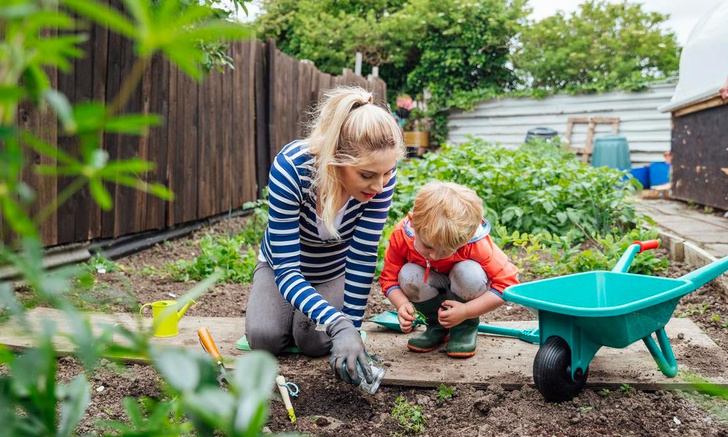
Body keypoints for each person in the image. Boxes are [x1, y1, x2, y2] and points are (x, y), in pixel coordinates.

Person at [245, 86, 405, 386]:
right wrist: (337, 322)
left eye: (387, 173)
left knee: (314, 342)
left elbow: (361, 258)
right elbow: (288, 271)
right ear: (335, 160)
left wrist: (352, 331)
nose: (380, 186)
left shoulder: (381, 177)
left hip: (332, 271)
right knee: (263, 338)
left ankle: (306, 316)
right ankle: (290, 311)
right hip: (282, 267)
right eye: (367, 175)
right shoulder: (291, 168)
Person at [379, 181, 520, 358]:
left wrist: (466, 312)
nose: (436, 256)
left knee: (469, 273)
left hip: (463, 290)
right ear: (413, 223)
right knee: (408, 274)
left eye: (447, 251)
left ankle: (464, 328)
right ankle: (436, 327)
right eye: (428, 247)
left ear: (468, 237)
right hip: (431, 285)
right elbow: (389, 279)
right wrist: (402, 304)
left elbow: (507, 284)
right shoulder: (402, 235)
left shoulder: (476, 243)